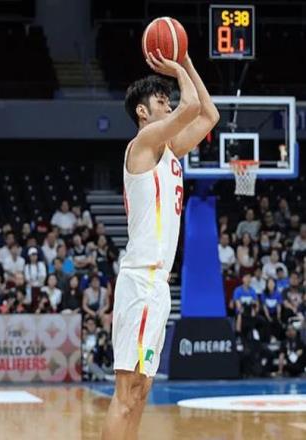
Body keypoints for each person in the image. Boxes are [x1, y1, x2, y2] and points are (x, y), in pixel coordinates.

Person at [102, 48, 220, 439]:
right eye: (160, 101)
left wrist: (187, 63)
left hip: (157, 284)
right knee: (126, 393)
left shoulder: (168, 150)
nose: (168, 105)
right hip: (141, 279)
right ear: (142, 112)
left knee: (141, 391)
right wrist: (176, 66)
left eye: (168, 100)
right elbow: (190, 106)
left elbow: (209, 115)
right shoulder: (143, 144)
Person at [233, 273, 259, 339]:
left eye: (249, 278)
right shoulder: (238, 290)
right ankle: (238, 335)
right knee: (240, 315)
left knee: (254, 313)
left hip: (250, 311)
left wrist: (255, 310)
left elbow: (256, 303)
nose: (248, 279)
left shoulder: (252, 291)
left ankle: (253, 334)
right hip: (241, 311)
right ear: (243, 279)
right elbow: (238, 305)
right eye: (246, 278)